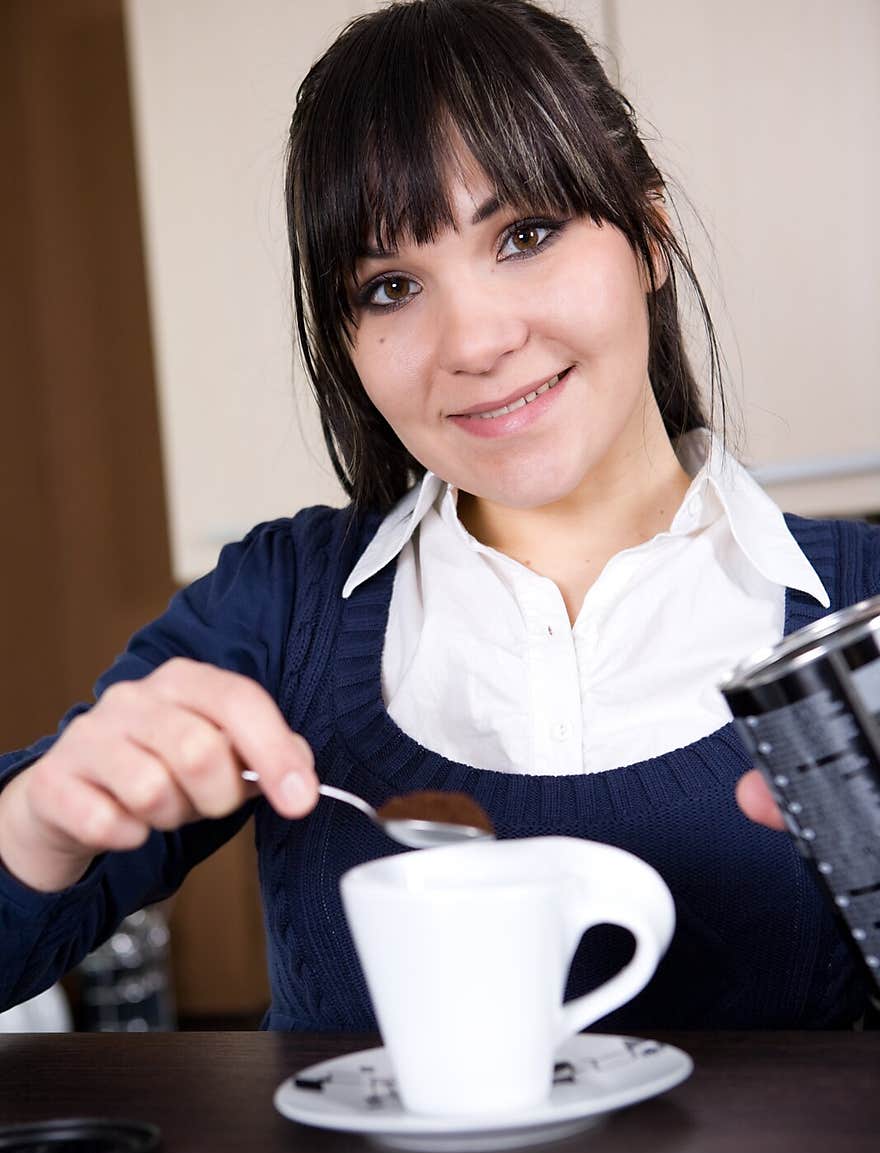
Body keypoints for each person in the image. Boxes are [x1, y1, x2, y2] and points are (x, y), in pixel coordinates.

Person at [1, 0, 876, 1030]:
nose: (472, 339)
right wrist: (38, 826)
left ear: (646, 236)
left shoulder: (861, 611)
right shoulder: (279, 609)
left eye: (526, 234)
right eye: (389, 286)